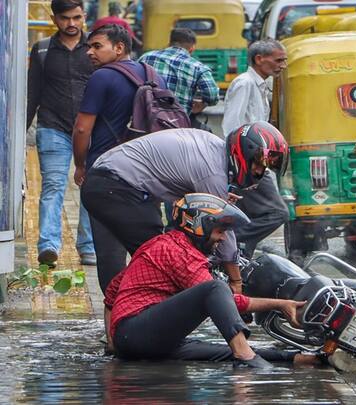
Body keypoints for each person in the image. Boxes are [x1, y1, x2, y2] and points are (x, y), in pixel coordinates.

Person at [104, 193, 314, 368]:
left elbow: (112, 291)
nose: (222, 238)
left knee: (223, 352)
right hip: (137, 334)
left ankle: (300, 358)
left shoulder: (159, 244)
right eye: (219, 231)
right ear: (199, 226)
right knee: (215, 288)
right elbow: (223, 298)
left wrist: (114, 343)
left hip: (140, 341)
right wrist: (281, 304)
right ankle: (246, 357)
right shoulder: (180, 253)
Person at [80, 123, 288, 295]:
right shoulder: (212, 172)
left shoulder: (214, 150)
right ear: (246, 153)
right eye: (259, 164)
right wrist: (236, 282)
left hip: (103, 181)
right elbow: (224, 230)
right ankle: (144, 323)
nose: (261, 171)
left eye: (266, 168)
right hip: (116, 186)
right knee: (161, 259)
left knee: (114, 262)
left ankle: (116, 330)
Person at [73, 23, 167, 288]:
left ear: (119, 47)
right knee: (147, 247)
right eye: (89, 46)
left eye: (96, 46)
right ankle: (149, 303)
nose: (90, 52)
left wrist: (80, 166)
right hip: (148, 175)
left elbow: (82, 128)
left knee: (109, 253)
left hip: (107, 174)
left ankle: (116, 316)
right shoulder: (153, 75)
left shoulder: (102, 77)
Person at [26, 0, 96, 267]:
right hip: (52, 126)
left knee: (89, 187)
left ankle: (88, 247)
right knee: (53, 186)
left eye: (76, 18)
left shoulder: (94, 49)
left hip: (89, 129)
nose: (71, 24)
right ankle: (48, 246)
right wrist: (21, 134)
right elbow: (33, 93)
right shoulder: (42, 50)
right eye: (65, 18)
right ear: (54, 18)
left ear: (84, 17)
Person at [222, 39, 290, 258]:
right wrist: (243, 168)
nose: (283, 65)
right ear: (259, 59)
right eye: (278, 60)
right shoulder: (245, 84)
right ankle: (232, 242)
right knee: (277, 213)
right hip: (249, 162)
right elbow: (231, 127)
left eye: (284, 60)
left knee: (249, 214)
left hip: (259, 161)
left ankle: (239, 256)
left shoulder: (260, 85)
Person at [138, 28, 219, 118]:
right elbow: (212, 96)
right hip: (177, 124)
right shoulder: (198, 67)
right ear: (192, 48)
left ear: (169, 44)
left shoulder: (145, 57)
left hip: (144, 120)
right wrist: (203, 104)